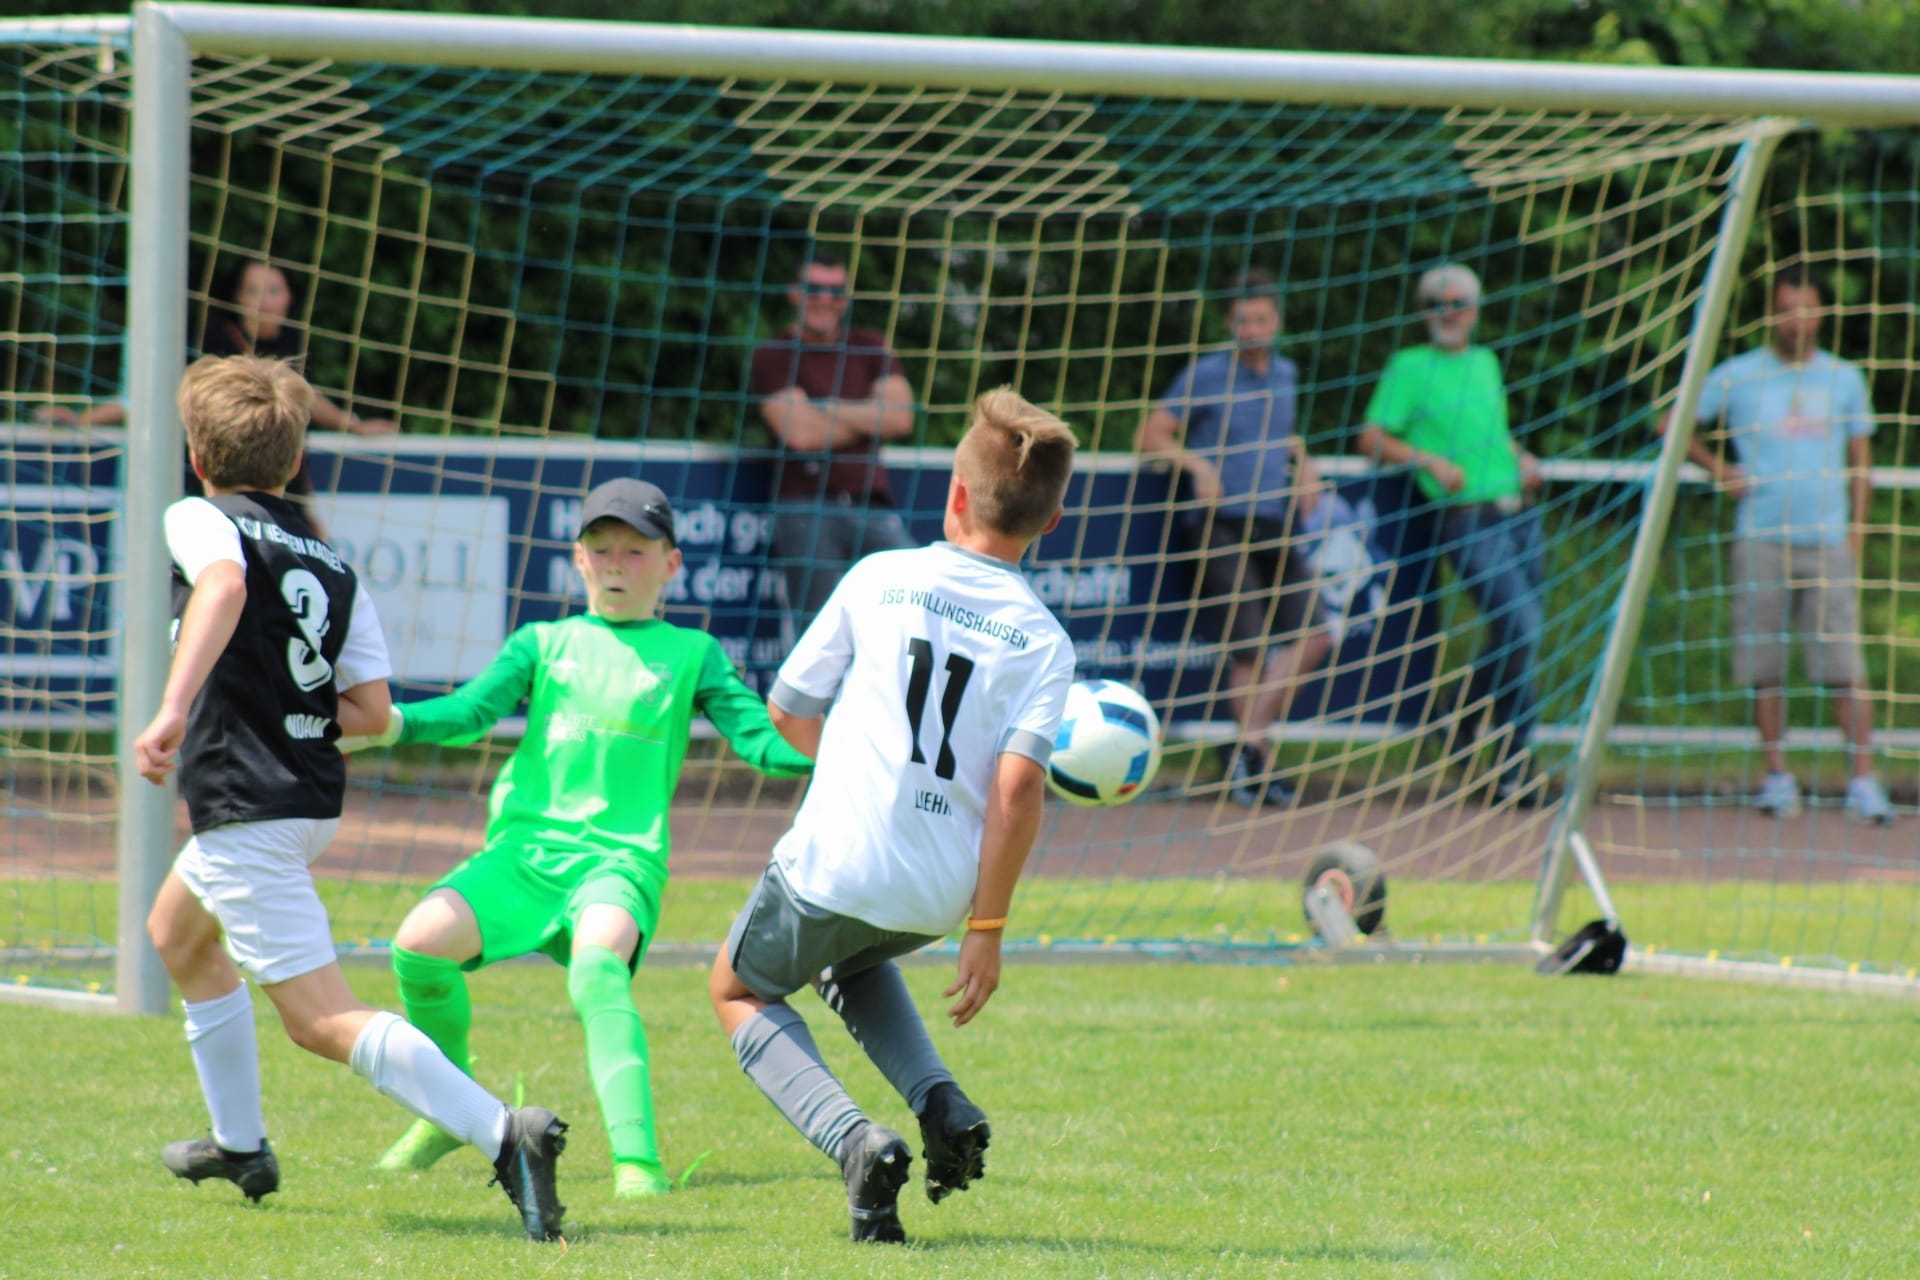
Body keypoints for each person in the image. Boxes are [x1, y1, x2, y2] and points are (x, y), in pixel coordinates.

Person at [135, 354, 567, 1242]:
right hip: (304, 799)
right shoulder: (332, 562)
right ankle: (240, 1145)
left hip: (250, 804)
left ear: (197, 455)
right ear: (295, 462)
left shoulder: (199, 516)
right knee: (177, 933)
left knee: (321, 1018)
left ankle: (502, 1133)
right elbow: (370, 710)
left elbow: (223, 584)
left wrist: (173, 707)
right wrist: (287, 709)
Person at [348, 476, 817, 1199]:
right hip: (523, 857)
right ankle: (447, 1108)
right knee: (416, 946)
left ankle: (639, 1164)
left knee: (597, 970)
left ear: (671, 564)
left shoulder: (693, 653)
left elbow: (758, 740)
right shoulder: (543, 643)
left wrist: (840, 758)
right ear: (578, 558)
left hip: (619, 862)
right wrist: (391, 725)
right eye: (602, 550)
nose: (616, 565)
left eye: (636, 551)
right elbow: (472, 711)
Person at [708, 387, 1077, 1245]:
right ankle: (941, 1102)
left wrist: (849, 763)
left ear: (956, 493)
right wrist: (986, 929)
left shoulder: (880, 576)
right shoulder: (1045, 639)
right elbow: (1019, 791)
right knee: (850, 954)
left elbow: (788, 709)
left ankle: (854, 1141)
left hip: (839, 861)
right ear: (1052, 523)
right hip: (937, 896)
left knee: (736, 988)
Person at [1670, 266, 1893, 823]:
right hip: (1761, 538)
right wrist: (1720, 469)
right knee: (1764, 663)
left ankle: (1863, 780)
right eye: (1786, 310)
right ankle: (1777, 776)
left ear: (1822, 314)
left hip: (1827, 538)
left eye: (1806, 310)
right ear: (1772, 314)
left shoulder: (1843, 378)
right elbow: (1671, 424)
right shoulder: (1738, 375)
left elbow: (1861, 462)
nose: (1796, 322)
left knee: (1844, 664)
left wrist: (1856, 532)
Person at [1136, 269, 1334, 808]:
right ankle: (1256, 767)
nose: (1252, 329)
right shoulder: (1206, 374)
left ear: (1277, 321)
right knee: (1248, 650)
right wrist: (1196, 464)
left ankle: (1244, 747)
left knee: (1316, 635)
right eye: (1243, 320)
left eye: (1261, 319)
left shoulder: (1286, 373)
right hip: (1220, 522)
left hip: (1274, 520)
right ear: (1229, 323)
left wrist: (1304, 461)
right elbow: (1150, 434)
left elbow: (1277, 432)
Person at [1356, 263, 1548, 806]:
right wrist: (1430, 461)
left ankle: (1487, 739)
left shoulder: (1485, 362)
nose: (1450, 312)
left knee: (1523, 640)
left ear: (1475, 308)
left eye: (1459, 302)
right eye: (1438, 304)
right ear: (1424, 312)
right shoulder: (1410, 366)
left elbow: (1493, 434)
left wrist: (1521, 457)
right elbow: (1371, 437)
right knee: (1523, 629)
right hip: (1467, 518)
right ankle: (1495, 743)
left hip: (1519, 512)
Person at [748, 249, 917, 633]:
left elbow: (900, 417)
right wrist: (869, 416)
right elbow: (801, 434)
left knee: (915, 603)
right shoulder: (774, 354)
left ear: (845, 298)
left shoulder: (869, 345)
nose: (824, 299)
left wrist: (827, 407)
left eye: (835, 291)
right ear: (795, 293)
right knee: (821, 632)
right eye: (814, 288)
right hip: (806, 507)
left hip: (872, 507)